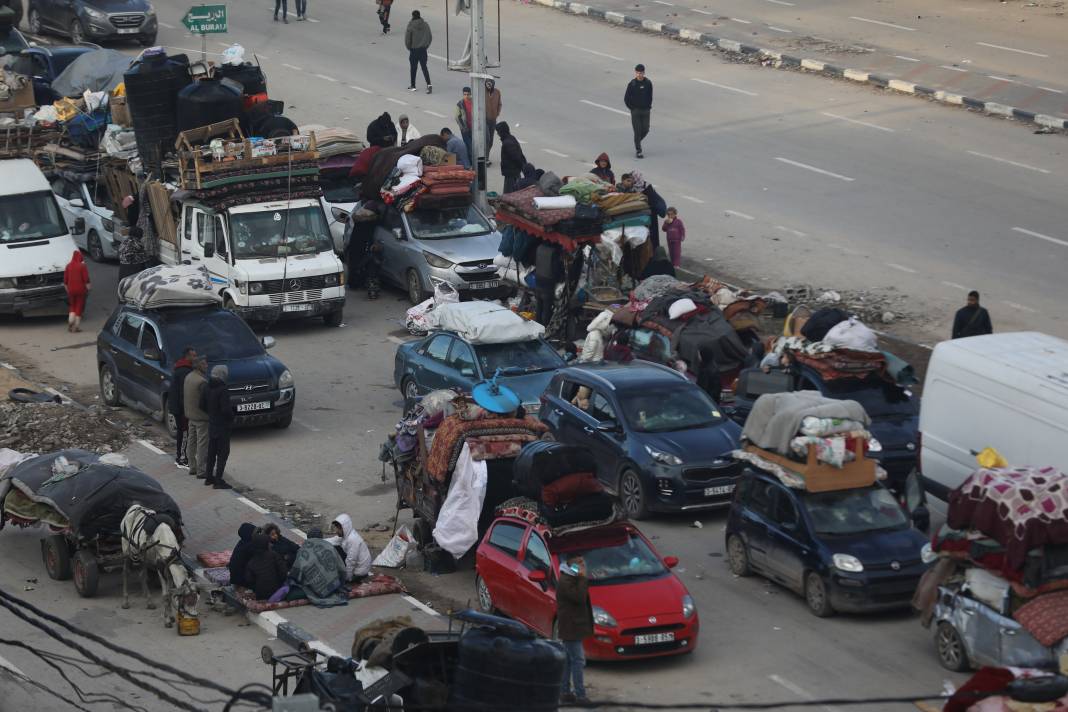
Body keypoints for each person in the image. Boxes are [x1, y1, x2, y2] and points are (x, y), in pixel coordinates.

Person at [556, 554, 593, 705]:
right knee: (578, 660)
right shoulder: (566, 581)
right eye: (580, 563)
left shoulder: (571, 578)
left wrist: (580, 577)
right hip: (571, 628)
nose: (583, 566)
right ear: (572, 565)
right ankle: (580, 696)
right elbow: (579, 598)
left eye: (583, 562)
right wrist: (583, 577)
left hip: (572, 626)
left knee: (569, 661)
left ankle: (565, 692)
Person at [287, 527, 349, 607]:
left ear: (308, 537)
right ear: (321, 537)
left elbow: (296, 573)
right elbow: (342, 569)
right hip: (334, 586)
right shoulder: (330, 547)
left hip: (312, 587)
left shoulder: (303, 550)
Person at [203, 364, 234, 489]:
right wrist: (232, 415)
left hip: (212, 424)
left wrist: (211, 414)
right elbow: (226, 409)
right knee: (223, 453)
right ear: (223, 375)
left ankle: (209, 477)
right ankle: (218, 481)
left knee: (211, 452)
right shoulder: (223, 390)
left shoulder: (206, 387)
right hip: (222, 427)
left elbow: (201, 404)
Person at [619, 171, 667, 249]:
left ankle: (652, 254)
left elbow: (652, 201)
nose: (631, 181)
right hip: (641, 215)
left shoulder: (646, 188)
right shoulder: (635, 187)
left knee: (651, 236)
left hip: (649, 215)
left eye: (632, 179)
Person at [168, 346, 197, 469]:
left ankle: (181, 456)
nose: (195, 358)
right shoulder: (185, 372)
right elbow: (183, 393)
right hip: (182, 409)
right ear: (188, 356)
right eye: (193, 356)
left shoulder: (178, 369)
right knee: (184, 433)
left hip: (177, 407)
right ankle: (182, 459)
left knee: (182, 432)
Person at [183, 357, 210, 480]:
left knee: (191, 441)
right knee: (202, 444)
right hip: (201, 417)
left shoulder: (188, 377)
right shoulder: (201, 382)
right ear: (198, 366)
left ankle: (192, 467)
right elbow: (206, 401)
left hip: (190, 415)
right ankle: (201, 470)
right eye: (204, 364)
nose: (207, 366)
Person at [244, 533, 287, 600]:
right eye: (268, 543)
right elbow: (283, 572)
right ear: (265, 544)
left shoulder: (252, 561)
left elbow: (249, 580)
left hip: (260, 594)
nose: (270, 544)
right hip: (276, 589)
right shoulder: (273, 555)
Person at [330, 514, 372, 582]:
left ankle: (349, 576)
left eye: (338, 529)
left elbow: (351, 561)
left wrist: (347, 578)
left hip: (360, 572)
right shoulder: (347, 535)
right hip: (357, 567)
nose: (336, 531)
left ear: (344, 527)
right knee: (335, 546)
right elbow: (334, 540)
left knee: (337, 550)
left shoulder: (352, 539)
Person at [624, 64, 653, 159]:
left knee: (646, 129)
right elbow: (626, 98)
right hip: (635, 111)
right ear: (635, 73)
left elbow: (650, 96)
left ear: (644, 73)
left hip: (646, 110)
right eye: (638, 73)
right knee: (637, 131)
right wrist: (632, 108)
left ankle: (637, 141)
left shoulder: (648, 83)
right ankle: (638, 150)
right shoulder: (632, 84)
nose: (639, 74)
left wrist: (648, 106)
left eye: (641, 73)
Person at [534, 241, 562, 327]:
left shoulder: (539, 247)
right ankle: (544, 328)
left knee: (539, 305)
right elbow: (556, 269)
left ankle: (537, 325)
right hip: (548, 281)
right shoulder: (554, 252)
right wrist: (560, 279)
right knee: (546, 307)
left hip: (538, 278)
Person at [405, 10, 433, 94]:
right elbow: (430, 37)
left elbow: (407, 39)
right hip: (423, 50)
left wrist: (409, 48)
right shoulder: (425, 25)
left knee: (413, 68)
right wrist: (425, 46)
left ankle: (413, 86)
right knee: (424, 67)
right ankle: (429, 85)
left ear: (413, 16)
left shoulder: (410, 25)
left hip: (414, 50)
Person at [62, 250, 90, 333]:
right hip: (81, 290)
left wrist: (68, 290)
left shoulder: (68, 266)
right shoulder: (82, 266)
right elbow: (86, 279)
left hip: (71, 290)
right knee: (79, 307)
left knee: (72, 306)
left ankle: (70, 322)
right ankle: (76, 327)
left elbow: (65, 281)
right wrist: (89, 289)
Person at [497, 122, 526, 194]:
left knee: (510, 193)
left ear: (502, 131)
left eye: (498, 132)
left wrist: (523, 167)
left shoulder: (508, 143)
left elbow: (517, 158)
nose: (497, 134)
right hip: (512, 172)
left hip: (512, 173)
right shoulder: (510, 138)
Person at [228, 523, 258, 589]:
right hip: (241, 579)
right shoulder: (250, 546)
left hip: (235, 576)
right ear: (249, 534)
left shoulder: (242, 542)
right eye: (255, 533)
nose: (257, 534)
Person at [454, 87, 474, 166]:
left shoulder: (474, 102)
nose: (466, 96)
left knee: (473, 145)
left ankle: (472, 161)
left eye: (468, 94)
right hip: (465, 129)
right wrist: (462, 127)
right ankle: (470, 162)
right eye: (464, 94)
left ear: (470, 94)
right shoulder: (460, 104)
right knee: (469, 145)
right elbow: (457, 117)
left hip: (474, 128)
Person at [484, 79, 502, 159]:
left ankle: (486, 157)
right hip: (484, 120)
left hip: (493, 120)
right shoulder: (481, 92)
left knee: (491, 140)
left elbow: (499, 104)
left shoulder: (497, 92)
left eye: (490, 85)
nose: (488, 87)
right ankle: (485, 157)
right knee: (487, 138)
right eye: (487, 85)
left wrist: (497, 114)